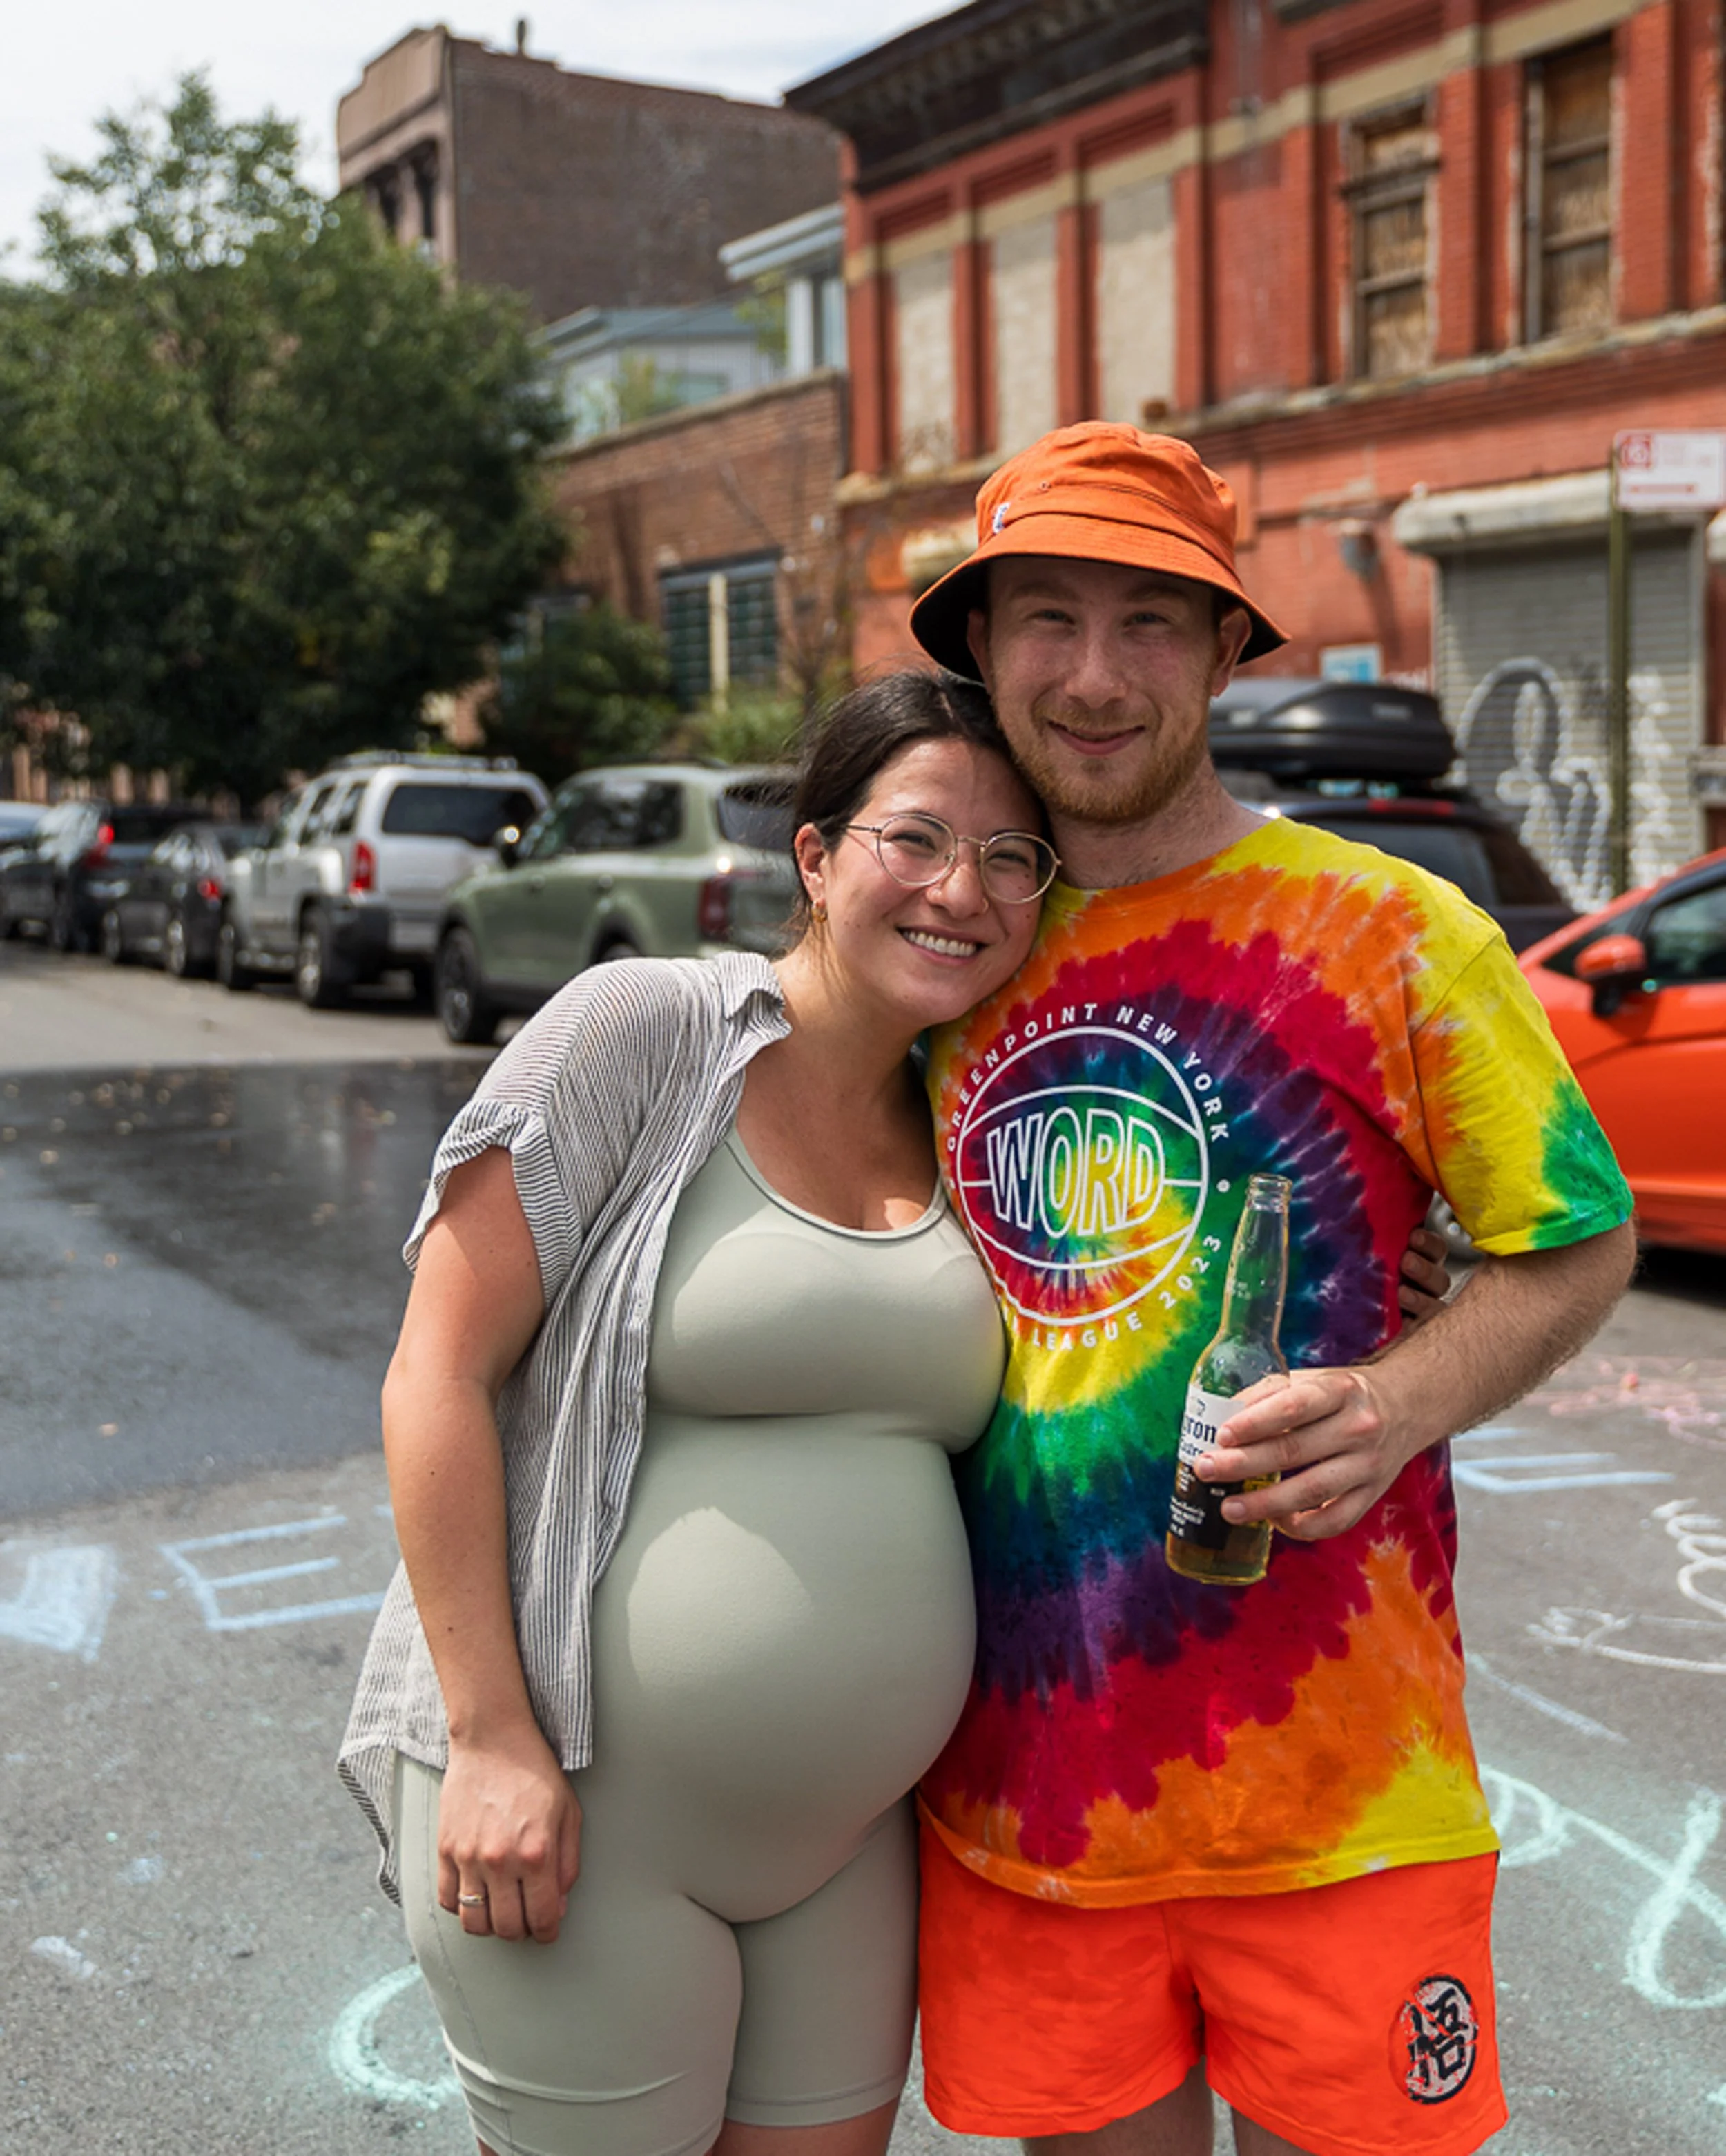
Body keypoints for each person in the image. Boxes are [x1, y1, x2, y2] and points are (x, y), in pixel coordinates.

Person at [338, 662, 1450, 2156]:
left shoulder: (975, 1102)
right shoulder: (644, 1032)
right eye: (914, 837)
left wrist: (1379, 1267)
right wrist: (485, 1737)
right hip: (583, 1814)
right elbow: (437, 1371)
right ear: (814, 853)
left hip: (851, 1849)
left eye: (1009, 860)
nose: (960, 891)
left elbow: (1144, 1301)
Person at [902, 423, 1637, 2156]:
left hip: (1340, 1797)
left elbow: (1576, 1236)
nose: (1092, 676)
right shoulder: (942, 949)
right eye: (1046, 618)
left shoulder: (1386, 929)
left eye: (1151, 620)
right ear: (979, 646)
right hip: (1029, 1802)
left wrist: (1399, 1399)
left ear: (1228, 647)